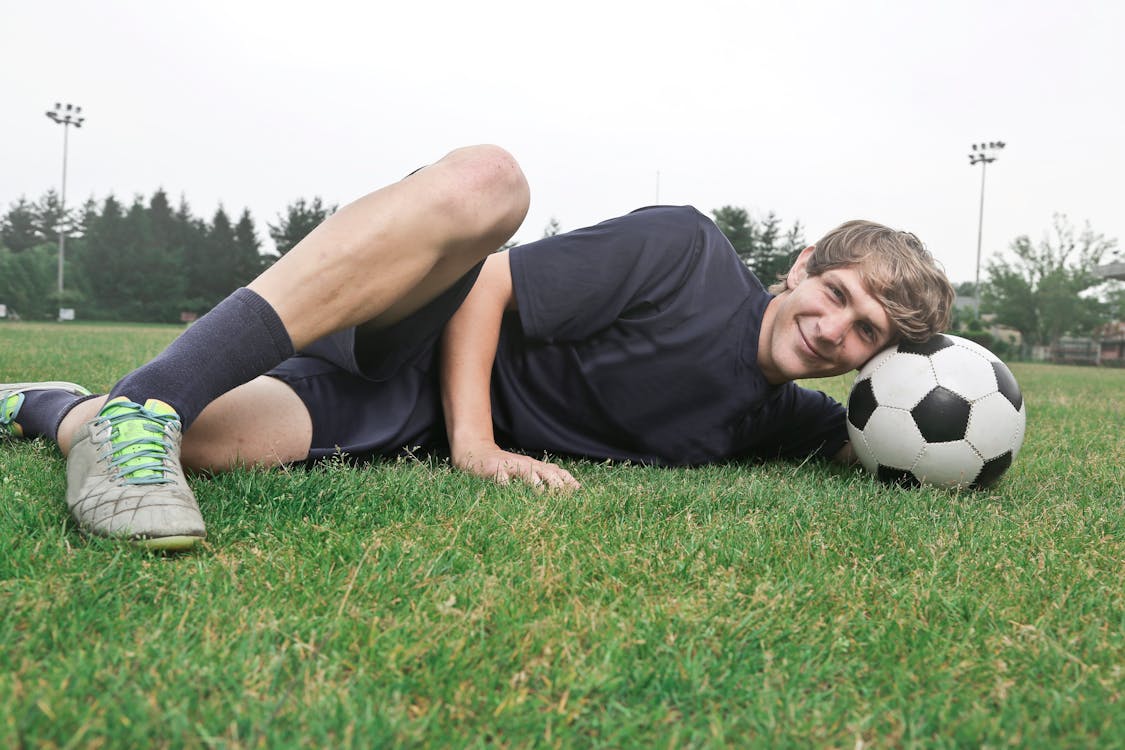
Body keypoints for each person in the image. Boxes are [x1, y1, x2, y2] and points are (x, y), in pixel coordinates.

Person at [0, 144, 955, 551]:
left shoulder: (775, 415)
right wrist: (477, 444)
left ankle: (39, 402)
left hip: (397, 413)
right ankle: (149, 398)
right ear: (799, 267)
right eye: (834, 293)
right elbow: (490, 279)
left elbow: (880, 442)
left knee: (212, 449)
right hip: (417, 327)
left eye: (864, 331)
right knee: (488, 181)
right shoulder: (688, 252)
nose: (833, 328)